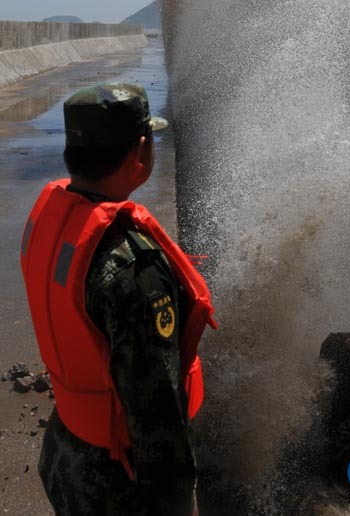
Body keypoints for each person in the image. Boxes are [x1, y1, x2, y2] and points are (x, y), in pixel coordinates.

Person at [20, 83, 216, 516]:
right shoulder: (133, 268)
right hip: (115, 483)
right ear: (141, 153)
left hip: (63, 455)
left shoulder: (52, 221)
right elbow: (157, 418)